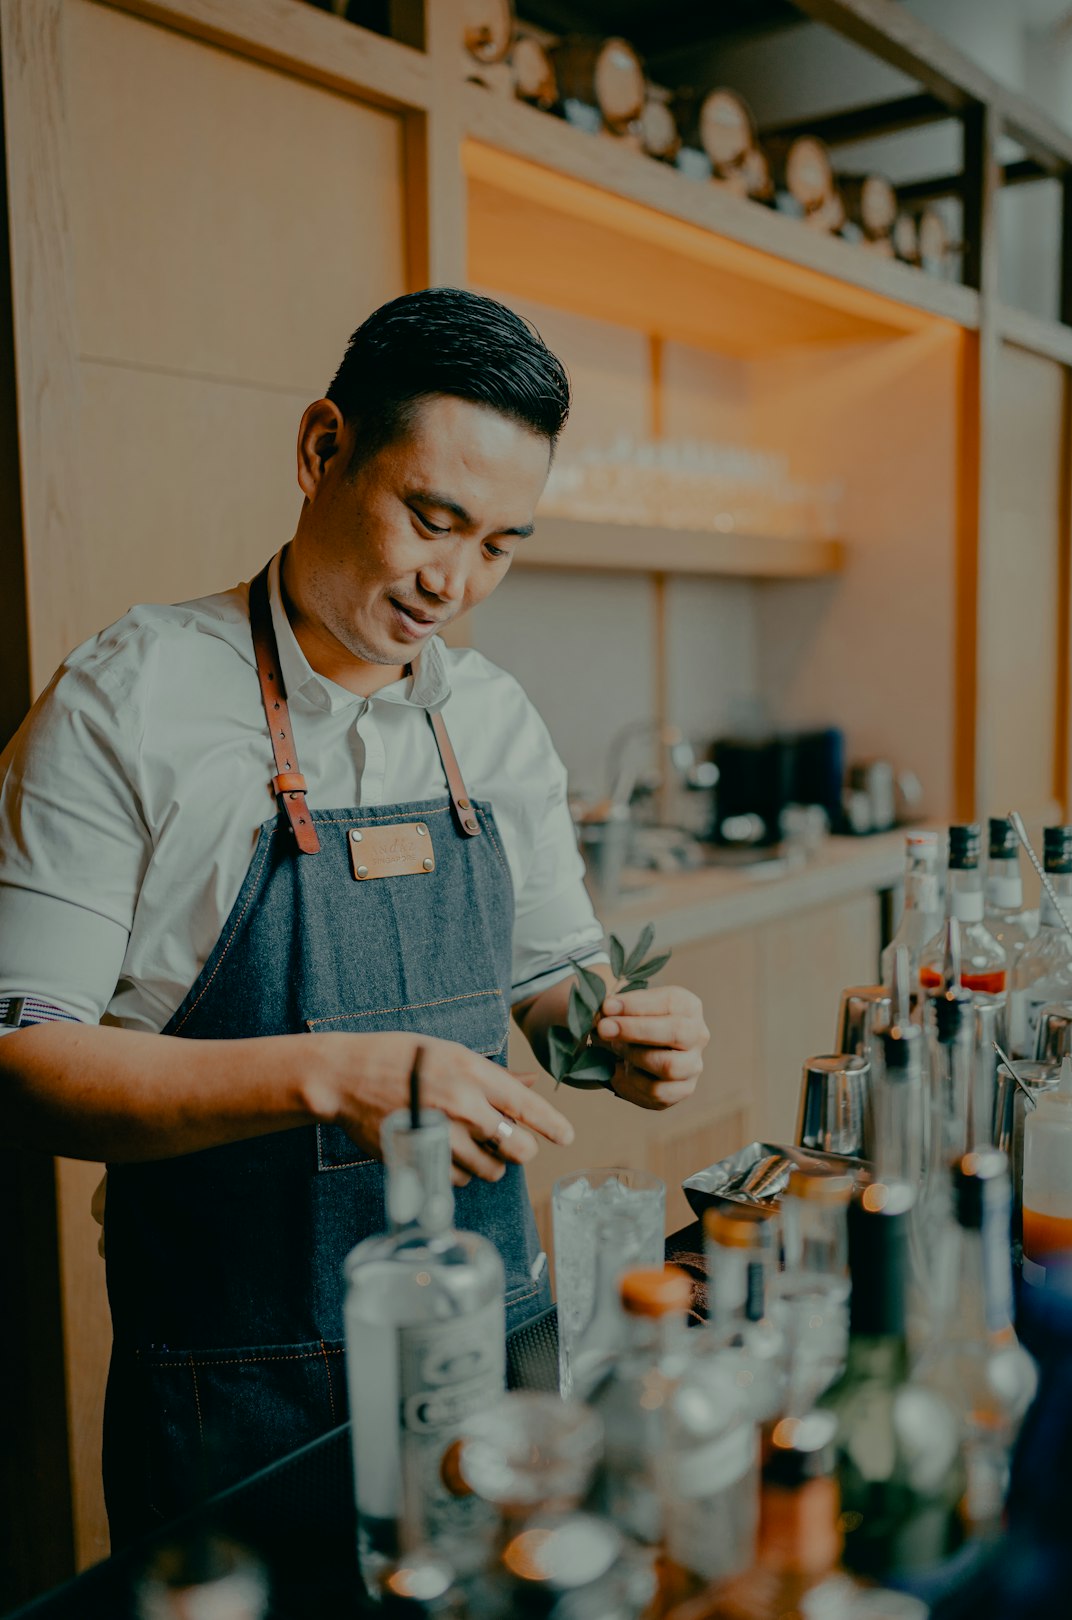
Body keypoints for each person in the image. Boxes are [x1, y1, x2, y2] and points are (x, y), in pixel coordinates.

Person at [0, 288, 709, 1544]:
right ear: (323, 448)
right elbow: (23, 1061)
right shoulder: (130, 700)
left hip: (491, 1356)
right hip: (234, 1383)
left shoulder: (490, 720)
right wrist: (336, 1074)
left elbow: (558, 997)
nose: (455, 582)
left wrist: (624, 1035)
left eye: (500, 545)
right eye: (432, 520)